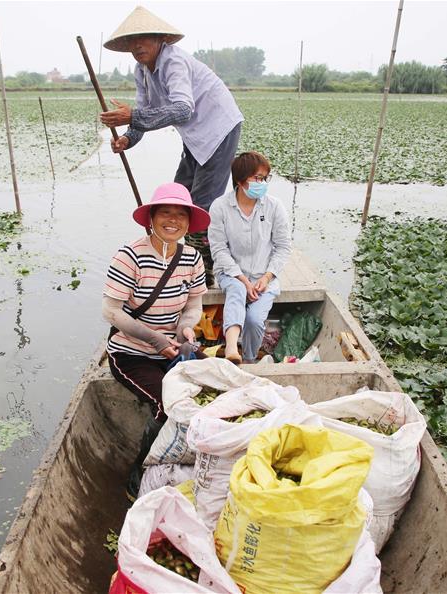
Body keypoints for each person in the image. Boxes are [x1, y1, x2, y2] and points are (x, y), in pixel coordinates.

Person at [99, 5, 243, 288]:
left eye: (144, 39)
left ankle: (205, 273)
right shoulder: (141, 70)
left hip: (219, 128)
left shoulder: (173, 61)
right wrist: (128, 138)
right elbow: (144, 112)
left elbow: (181, 110)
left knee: (202, 203)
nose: (137, 46)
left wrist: (133, 116)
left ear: (160, 40)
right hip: (194, 136)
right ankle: (180, 260)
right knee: (178, 196)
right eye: (132, 41)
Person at [103, 182, 209, 499]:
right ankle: (139, 473)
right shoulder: (129, 257)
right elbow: (111, 312)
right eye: (166, 212)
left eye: (181, 214)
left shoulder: (192, 258)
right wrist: (155, 340)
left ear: (189, 221)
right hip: (131, 354)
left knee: (214, 391)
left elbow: (193, 306)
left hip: (172, 350)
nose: (173, 220)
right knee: (166, 405)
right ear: (151, 217)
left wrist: (185, 330)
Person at [208, 151, 292, 364]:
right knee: (236, 289)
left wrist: (266, 277)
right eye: (257, 178)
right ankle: (231, 348)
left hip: (264, 276)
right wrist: (243, 280)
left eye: (265, 178)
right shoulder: (220, 207)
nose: (262, 183)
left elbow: (282, 247)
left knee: (255, 319)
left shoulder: (274, 206)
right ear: (239, 179)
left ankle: (249, 359)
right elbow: (219, 250)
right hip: (231, 274)